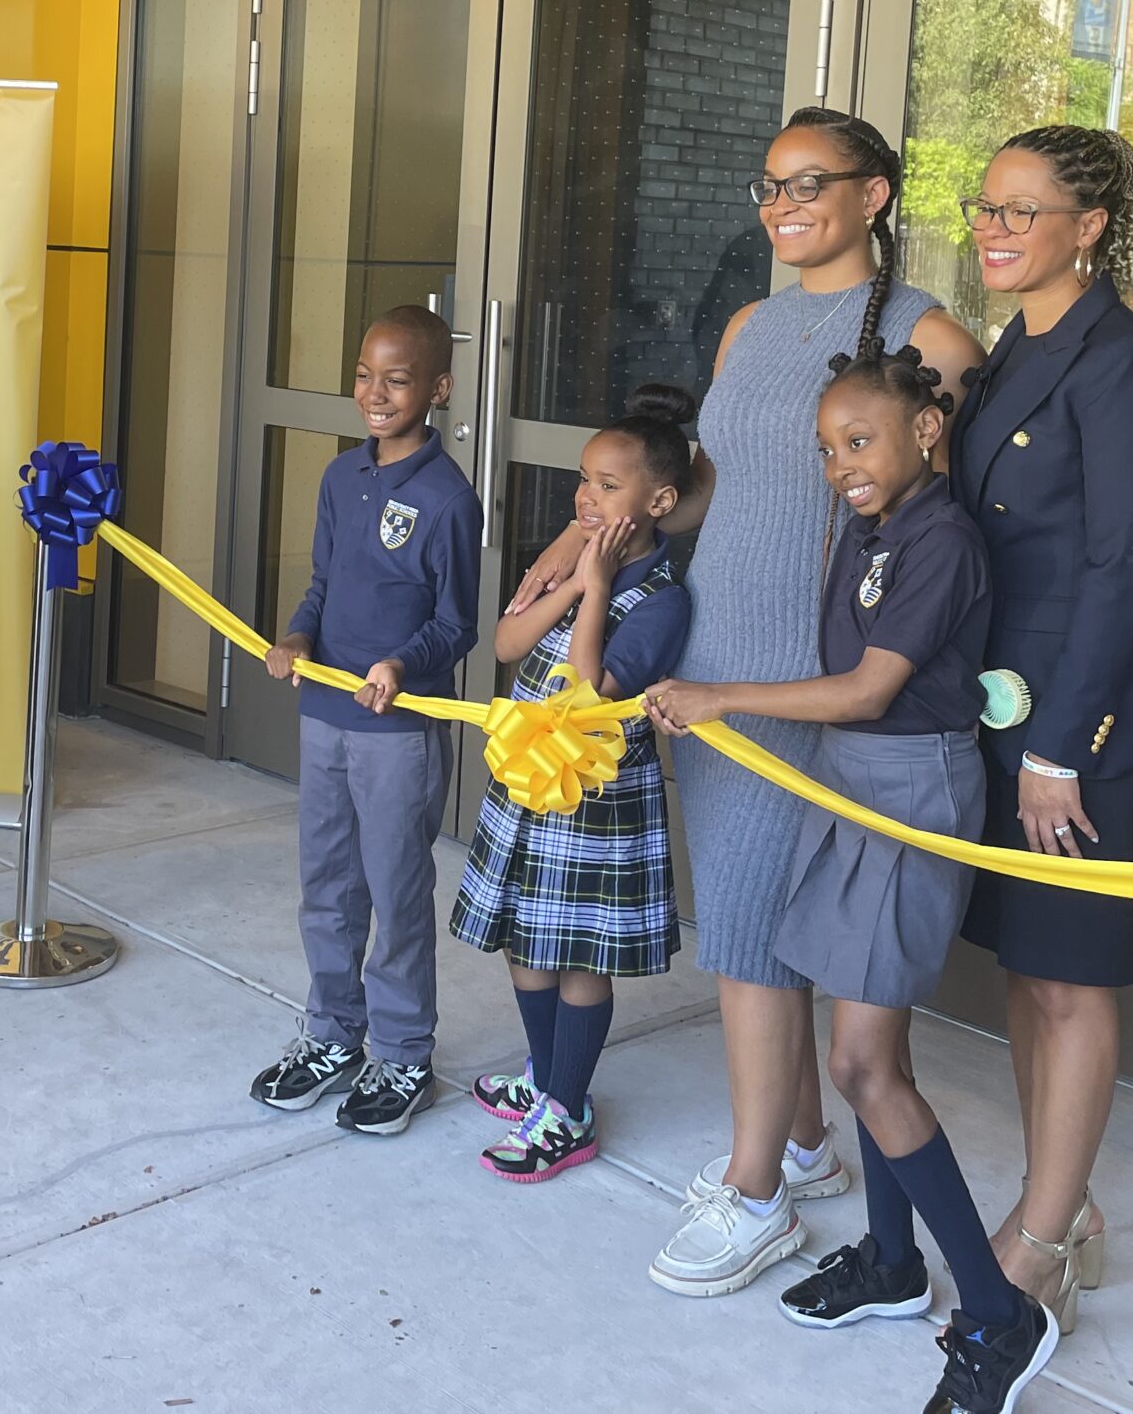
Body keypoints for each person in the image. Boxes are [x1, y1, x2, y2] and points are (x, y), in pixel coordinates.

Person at [511, 107, 981, 1297]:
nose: (779, 205)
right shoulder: (747, 325)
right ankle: (808, 1147)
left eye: (807, 183)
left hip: (809, 674)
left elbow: (947, 516)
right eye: (766, 184)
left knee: (751, 935)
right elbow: (709, 491)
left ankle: (755, 1189)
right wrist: (590, 559)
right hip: (712, 660)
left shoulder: (926, 331)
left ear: (873, 195)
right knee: (747, 920)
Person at [646, 343, 1059, 1414]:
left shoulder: (941, 542)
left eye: (858, 441)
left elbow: (869, 690)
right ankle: (888, 1260)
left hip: (906, 793)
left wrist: (716, 696)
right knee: (863, 1036)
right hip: (849, 788)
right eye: (827, 450)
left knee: (863, 1063)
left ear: (925, 432)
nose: (840, 465)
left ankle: (997, 1314)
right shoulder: (871, 531)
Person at [948, 124, 1133, 1333]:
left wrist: (1059, 752)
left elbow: (1115, 567)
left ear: (1087, 226)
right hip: (1003, 711)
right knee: (1024, 971)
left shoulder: (1126, 363)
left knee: (1069, 981)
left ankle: (1039, 1243)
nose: (991, 231)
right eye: (983, 209)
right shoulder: (1015, 346)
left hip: (1086, 729)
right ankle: (1070, 1203)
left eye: (1017, 211)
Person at [451, 385, 697, 1184]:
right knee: (527, 942)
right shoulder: (577, 567)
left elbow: (591, 685)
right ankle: (544, 1072)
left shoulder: (660, 599)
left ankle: (568, 1105)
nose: (587, 498)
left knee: (579, 954)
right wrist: (568, 580)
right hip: (530, 788)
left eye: (608, 486)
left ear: (659, 501)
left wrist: (595, 588)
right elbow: (507, 640)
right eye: (584, 480)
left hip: (596, 804)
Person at [247, 305, 482, 1136]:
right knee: (329, 886)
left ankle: (404, 1053)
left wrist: (399, 665)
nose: (375, 394)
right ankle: (333, 1035)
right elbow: (321, 582)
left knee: (394, 892)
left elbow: (457, 624)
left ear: (437, 388)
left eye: (397, 378)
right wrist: (296, 635)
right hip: (324, 714)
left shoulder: (449, 498)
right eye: (363, 376)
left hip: (396, 733)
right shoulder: (341, 479)